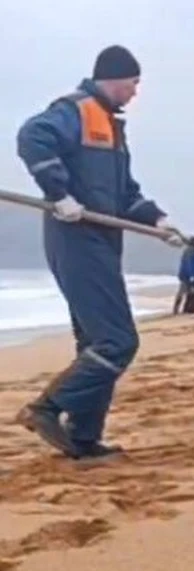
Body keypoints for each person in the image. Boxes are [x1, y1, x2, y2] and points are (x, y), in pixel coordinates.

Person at [13, 45, 185, 460]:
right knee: (117, 341)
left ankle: (85, 439)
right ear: (114, 77)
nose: (135, 93)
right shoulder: (76, 110)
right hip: (75, 237)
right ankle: (47, 407)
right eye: (134, 83)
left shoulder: (112, 128)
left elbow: (125, 192)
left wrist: (158, 221)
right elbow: (31, 138)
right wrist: (59, 193)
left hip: (103, 240)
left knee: (95, 341)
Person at [173, 244, 194, 314]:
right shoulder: (190, 251)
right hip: (187, 275)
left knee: (193, 291)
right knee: (184, 291)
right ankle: (177, 310)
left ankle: (191, 308)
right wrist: (192, 277)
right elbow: (189, 265)